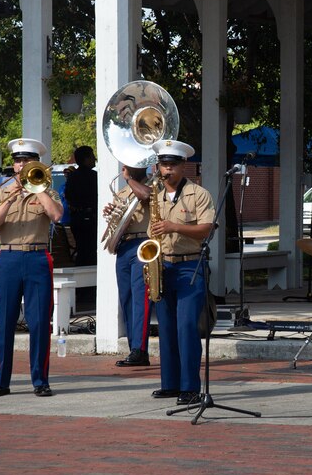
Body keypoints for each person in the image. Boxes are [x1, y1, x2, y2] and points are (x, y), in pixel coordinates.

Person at [0, 138, 64, 397]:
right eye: (18, 161)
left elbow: (57, 215)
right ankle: (1, 380)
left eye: (27, 160)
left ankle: (40, 380)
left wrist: (37, 187)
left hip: (36, 257)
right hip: (8, 258)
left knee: (39, 321)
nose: (21, 165)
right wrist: (11, 197)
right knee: (4, 321)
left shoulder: (46, 190)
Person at [146, 140, 215, 405]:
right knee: (165, 326)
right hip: (163, 265)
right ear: (158, 166)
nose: (168, 170)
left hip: (191, 265)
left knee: (186, 326)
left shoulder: (198, 194)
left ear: (183, 166)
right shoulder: (156, 195)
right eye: (164, 165)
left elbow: (207, 228)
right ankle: (170, 383)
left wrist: (175, 227)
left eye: (173, 165)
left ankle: (190, 386)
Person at [107, 163, 154, 367]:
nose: (125, 166)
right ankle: (133, 347)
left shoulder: (153, 184)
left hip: (144, 243)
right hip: (125, 245)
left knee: (140, 297)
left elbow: (145, 195)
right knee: (126, 297)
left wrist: (129, 179)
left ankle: (140, 349)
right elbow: (118, 219)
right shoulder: (124, 190)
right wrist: (111, 213)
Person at [63, 145, 99, 266]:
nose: (94, 159)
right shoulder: (93, 176)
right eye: (92, 156)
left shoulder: (72, 177)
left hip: (77, 218)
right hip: (90, 218)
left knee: (82, 250)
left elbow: (68, 196)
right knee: (90, 251)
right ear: (86, 158)